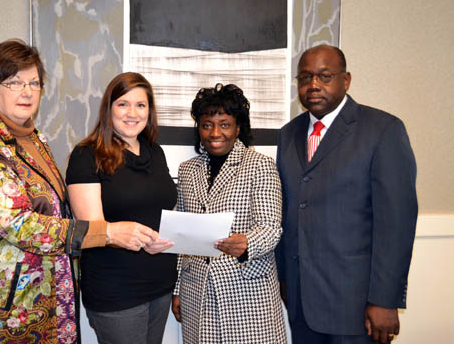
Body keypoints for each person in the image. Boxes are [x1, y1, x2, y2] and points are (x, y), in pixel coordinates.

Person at [0, 39, 158, 344]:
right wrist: (108, 233)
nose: (27, 91)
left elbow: (56, 207)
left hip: (44, 299)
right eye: (14, 82)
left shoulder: (33, 138)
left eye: (34, 82)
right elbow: (22, 225)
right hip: (1, 308)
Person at [275, 44, 418, 344]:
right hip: (301, 301)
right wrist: (284, 279)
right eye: (304, 77)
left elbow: (396, 224)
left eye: (324, 76)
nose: (313, 85)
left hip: (357, 307)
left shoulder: (382, 130)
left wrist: (385, 299)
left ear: (346, 80)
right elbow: (287, 210)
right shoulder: (288, 135)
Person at [65, 72, 177, 344]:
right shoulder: (87, 155)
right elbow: (92, 229)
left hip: (160, 285)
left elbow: (157, 212)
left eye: (141, 105)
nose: (132, 113)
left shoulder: (155, 152)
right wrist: (134, 238)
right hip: (116, 291)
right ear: (109, 109)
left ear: (150, 112)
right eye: (123, 104)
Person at [172, 83, 287, 344]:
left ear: (238, 128)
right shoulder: (188, 170)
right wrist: (178, 289)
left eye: (224, 124)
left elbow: (271, 227)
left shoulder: (260, 165)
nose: (215, 133)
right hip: (196, 292)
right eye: (206, 124)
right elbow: (182, 234)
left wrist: (247, 243)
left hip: (247, 293)